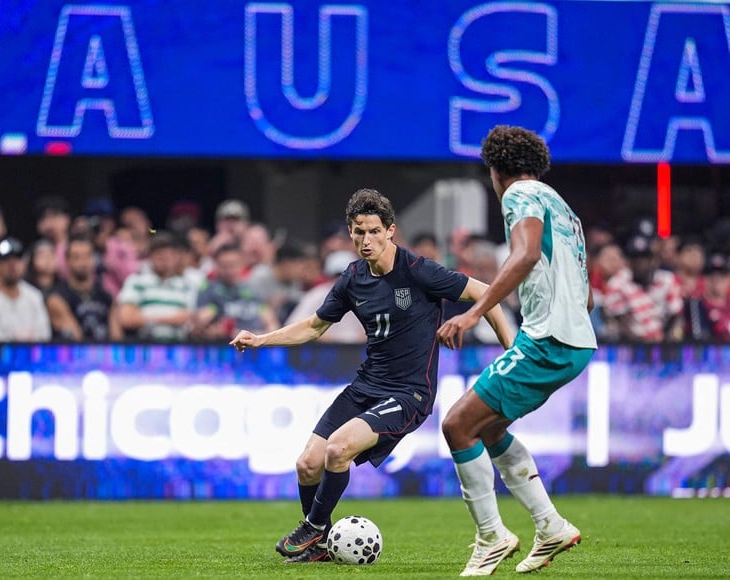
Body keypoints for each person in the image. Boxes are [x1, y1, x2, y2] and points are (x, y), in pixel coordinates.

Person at [229, 188, 513, 564]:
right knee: (307, 464)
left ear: (390, 231)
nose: (367, 240)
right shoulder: (353, 278)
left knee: (338, 449)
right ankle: (319, 545)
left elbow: (487, 294)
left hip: (409, 393)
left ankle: (314, 528)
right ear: (351, 232)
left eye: (375, 231)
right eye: (359, 232)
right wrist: (262, 339)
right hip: (366, 386)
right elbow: (314, 326)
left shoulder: (418, 271)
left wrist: (512, 351)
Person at [436, 125, 597, 576]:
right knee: (488, 429)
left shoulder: (519, 194)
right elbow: (586, 298)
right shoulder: (562, 207)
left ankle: (492, 537)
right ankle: (550, 526)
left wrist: (474, 313)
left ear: (495, 168)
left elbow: (524, 255)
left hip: (549, 339)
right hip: (573, 338)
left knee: (457, 425)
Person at [47, 236, 122, 341]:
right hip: (75, 350)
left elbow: (117, 338)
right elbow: (75, 340)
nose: (83, 263)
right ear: (67, 261)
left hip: (108, 350)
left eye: (87, 256)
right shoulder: (57, 298)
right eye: (76, 257)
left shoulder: (106, 296)